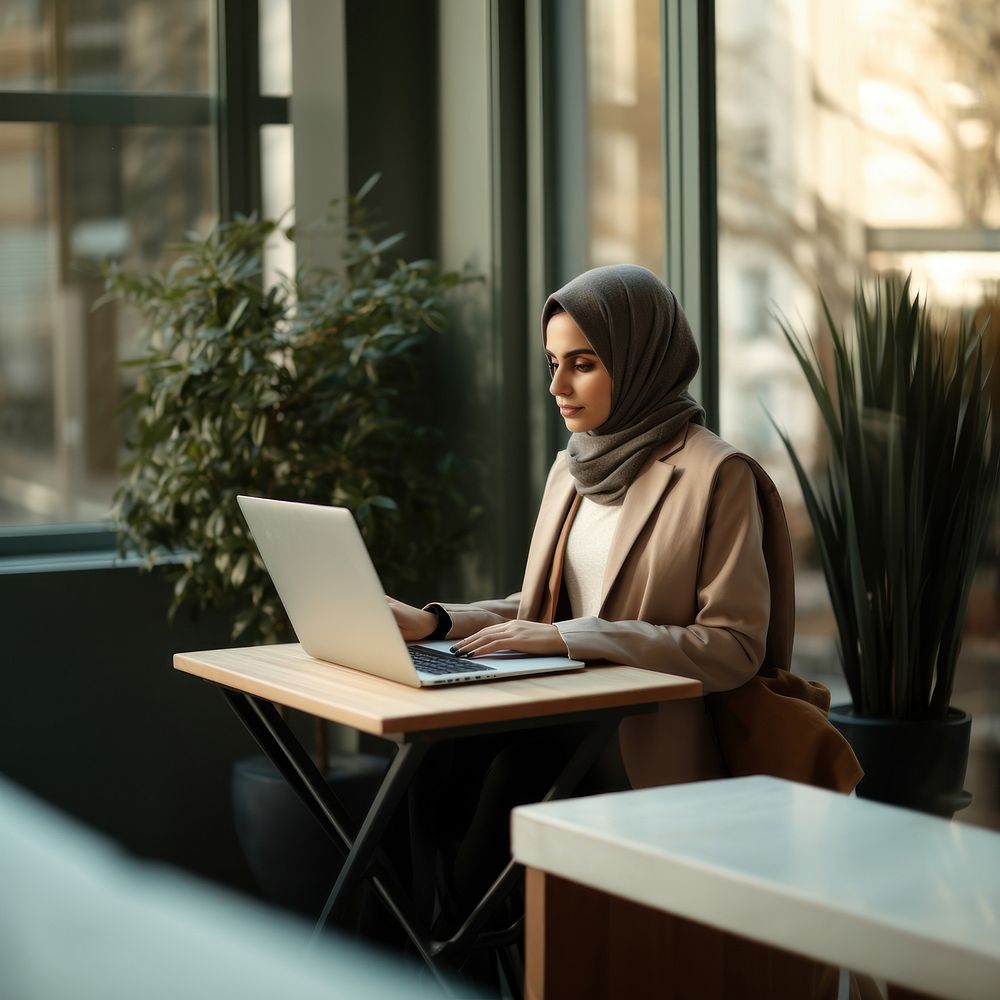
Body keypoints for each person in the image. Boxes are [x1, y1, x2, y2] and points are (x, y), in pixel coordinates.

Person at [387, 264, 864, 996]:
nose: (559, 387)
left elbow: (733, 646)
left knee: (497, 804)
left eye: (583, 363)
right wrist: (438, 620)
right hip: (560, 715)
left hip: (640, 737)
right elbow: (541, 606)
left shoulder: (716, 475)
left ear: (642, 359)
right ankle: (442, 957)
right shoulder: (572, 470)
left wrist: (575, 638)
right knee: (421, 773)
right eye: (554, 363)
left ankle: (438, 962)